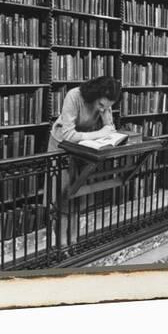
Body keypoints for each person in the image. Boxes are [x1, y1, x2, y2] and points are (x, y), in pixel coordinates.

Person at [46, 76, 122, 245]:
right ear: (94, 94)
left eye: (108, 107)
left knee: (77, 195)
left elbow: (110, 128)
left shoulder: (104, 103)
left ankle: (73, 241)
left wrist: (106, 121)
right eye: (101, 105)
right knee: (62, 195)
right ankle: (61, 243)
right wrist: (101, 133)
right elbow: (68, 135)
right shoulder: (74, 96)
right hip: (61, 147)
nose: (103, 109)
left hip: (83, 148)